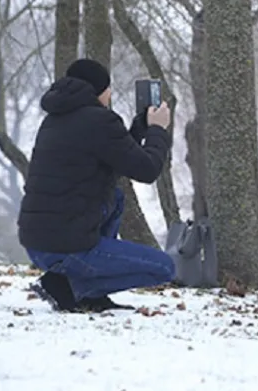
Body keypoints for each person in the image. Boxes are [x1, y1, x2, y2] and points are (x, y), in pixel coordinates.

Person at [18, 58, 176, 312]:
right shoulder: (100, 121)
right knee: (164, 268)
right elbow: (147, 170)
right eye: (108, 88)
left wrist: (140, 127)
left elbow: (114, 157)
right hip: (67, 247)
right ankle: (76, 287)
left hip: (37, 244)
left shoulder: (54, 119)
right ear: (100, 90)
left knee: (115, 197)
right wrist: (158, 130)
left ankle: (76, 288)